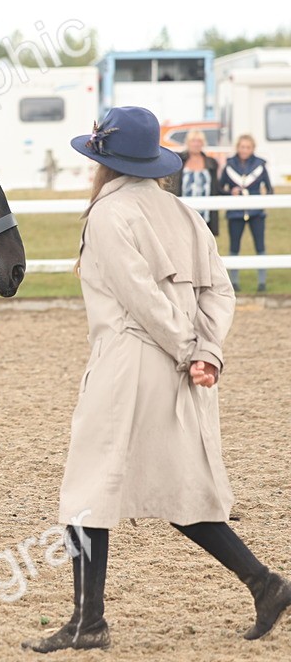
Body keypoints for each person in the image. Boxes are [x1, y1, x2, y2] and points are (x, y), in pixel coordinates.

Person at [23, 107, 290, 653]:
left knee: (86, 490)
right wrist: (206, 352)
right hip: (180, 369)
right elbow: (220, 291)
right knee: (177, 487)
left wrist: (192, 349)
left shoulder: (107, 214)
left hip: (130, 362)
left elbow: (140, 297)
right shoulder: (185, 213)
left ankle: (88, 623)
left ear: (104, 159)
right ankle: (265, 584)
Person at [221, 134, 274, 292]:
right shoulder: (229, 165)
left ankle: (262, 283)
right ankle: (234, 282)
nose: (244, 150)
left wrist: (261, 198)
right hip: (235, 213)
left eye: (248, 147)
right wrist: (231, 192)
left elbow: (269, 189)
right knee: (234, 246)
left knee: (260, 246)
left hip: (256, 212)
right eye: (242, 147)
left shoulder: (260, 165)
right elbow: (220, 188)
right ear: (238, 147)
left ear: (253, 149)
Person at [163, 129, 222, 235]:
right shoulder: (179, 161)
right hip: (183, 211)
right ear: (187, 142)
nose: (196, 144)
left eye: (199, 141)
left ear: (203, 143)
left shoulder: (211, 163)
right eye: (193, 141)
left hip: (205, 213)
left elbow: (216, 187)